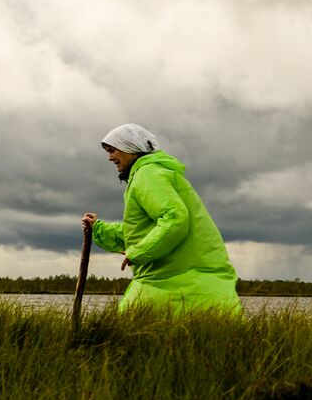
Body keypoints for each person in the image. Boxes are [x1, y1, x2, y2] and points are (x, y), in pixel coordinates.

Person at [81, 124, 241, 315]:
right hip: (198, 288)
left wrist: (138, 252)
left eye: (113, 150)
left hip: (175, 285)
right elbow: (142, 231)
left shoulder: (148, 174)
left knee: (126, 331)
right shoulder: (153, 173)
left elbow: (174, 218)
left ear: (132, 148)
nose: (109, 157)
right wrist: (99, 229)